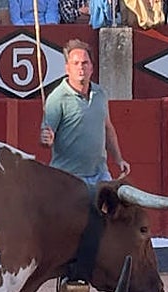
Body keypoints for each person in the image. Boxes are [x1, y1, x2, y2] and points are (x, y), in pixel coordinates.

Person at [39, 39, 130, 188]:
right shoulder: (57, 98)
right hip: (68, 177)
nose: (80, 68)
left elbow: (107, 128)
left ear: (91, 68)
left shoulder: (100, 93)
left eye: (84, 63)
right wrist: (46, 139)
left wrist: (119, 159)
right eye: (75, 64)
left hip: (100, 173)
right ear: (67, 69)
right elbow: (47, 136)